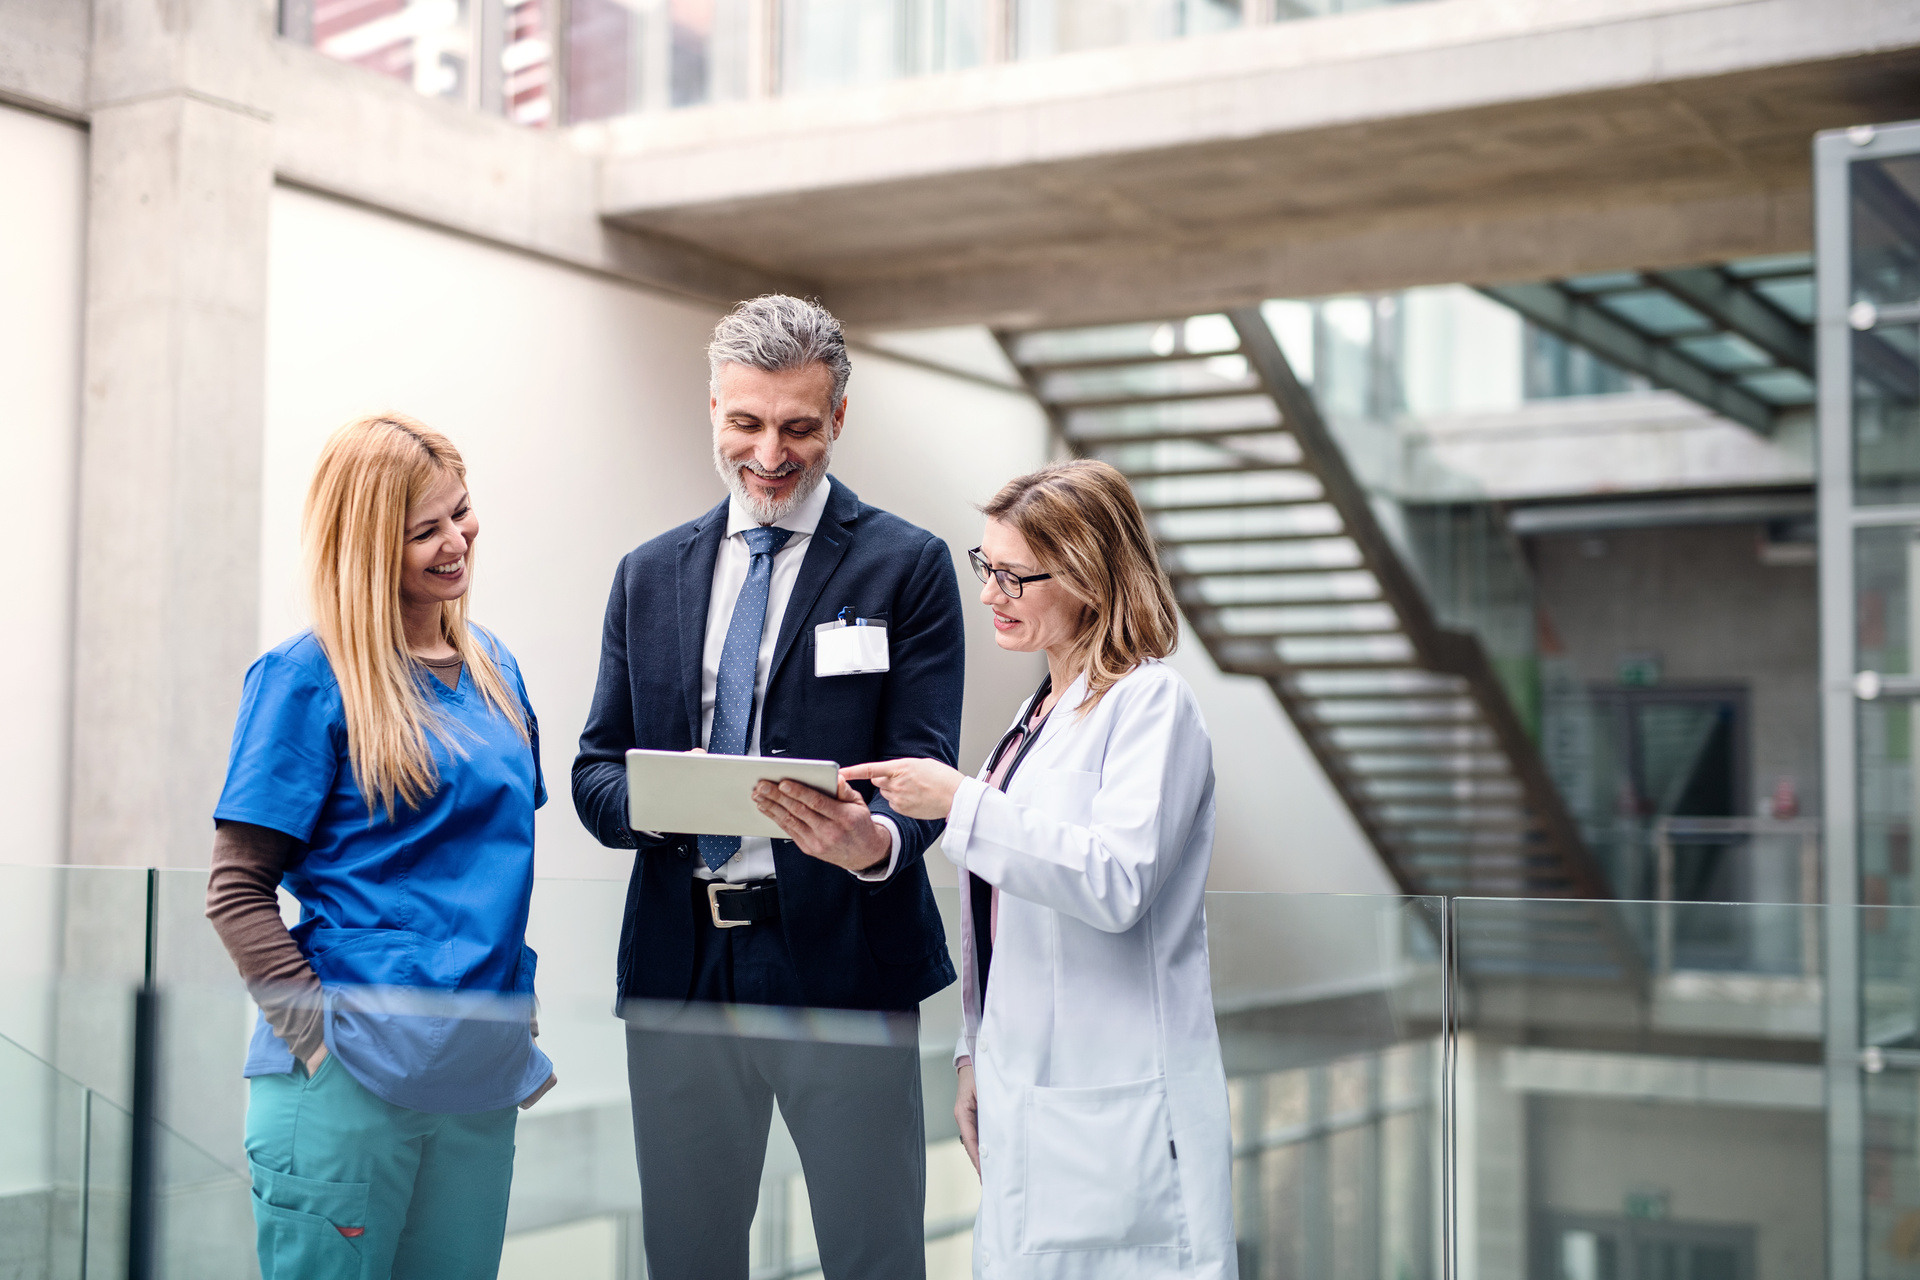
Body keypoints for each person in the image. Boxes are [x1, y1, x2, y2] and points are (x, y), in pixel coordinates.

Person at [571, 294, 965, 1280]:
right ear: (713, 409)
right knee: (689, 1257)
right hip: (681, 962)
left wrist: (869, 840)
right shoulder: (646, 573)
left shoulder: (905, 565)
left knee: (874, 1253)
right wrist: (658, 801)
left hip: (844, 963)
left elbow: (923, 764)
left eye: (797, 426)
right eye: (746, 423)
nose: (771, 453)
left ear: (838, 418)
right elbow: (594, 769)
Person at [844, 460, 1237, 1280]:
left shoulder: (1150, 705)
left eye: (1016, 576)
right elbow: (1003, 918)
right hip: (1023, 1091)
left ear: (1092, 574)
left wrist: (960, 803)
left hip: (1117, 1106)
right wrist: (972, 1054)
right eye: (986, 567)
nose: (990, 594)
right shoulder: (1035, 717)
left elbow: (1114, 882)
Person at [206, 414, 556, 1280]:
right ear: (366, 544)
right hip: (349, 1078)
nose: (455, 542)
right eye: (423, 530)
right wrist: (318, 1043)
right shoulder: (305, 677)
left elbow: (490, 860)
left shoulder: (495, 672)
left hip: (478, 1071)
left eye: (461, 513)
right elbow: (237, 891)